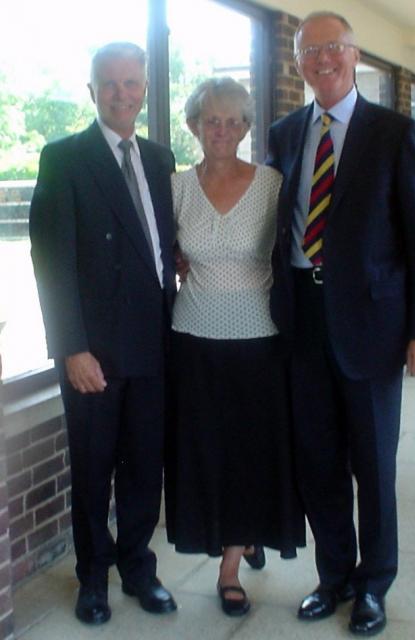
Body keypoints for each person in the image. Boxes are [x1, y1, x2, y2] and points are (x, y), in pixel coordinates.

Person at [267, 11, 415, 636]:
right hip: (301, 323)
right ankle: (334, 575)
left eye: (333, 47)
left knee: (373, 465)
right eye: (310, 50)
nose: (323, 58)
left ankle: (374, 586)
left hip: (372, 327)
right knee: (318, 462)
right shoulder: (285, 133)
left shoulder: (396, 132)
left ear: (354, 53)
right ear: (297, 62)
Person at [29, 42, 177, 625]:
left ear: (144, 89)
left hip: (153, 343)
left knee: (145, 467)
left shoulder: (162, 160)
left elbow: (160, 248)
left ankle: (139, 568)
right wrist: (71, 347)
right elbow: (51, 261)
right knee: (93, 469)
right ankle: (93, 578)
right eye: (110, 83)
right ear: (93, 91)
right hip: (94, 350)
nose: (122, 92)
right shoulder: (63, 157)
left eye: (131, 82)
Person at [165, 77, 305, 617]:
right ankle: (237, 538)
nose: (221, 129)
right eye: (210, 119)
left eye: (232, 120)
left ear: (247, 127)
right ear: (194, 124)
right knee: (207, 452)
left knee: (247, 454)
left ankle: (229, 566)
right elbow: (163, 250)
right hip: (193, 339)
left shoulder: (273, 184)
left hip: (258, 340)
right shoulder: (176, 186)